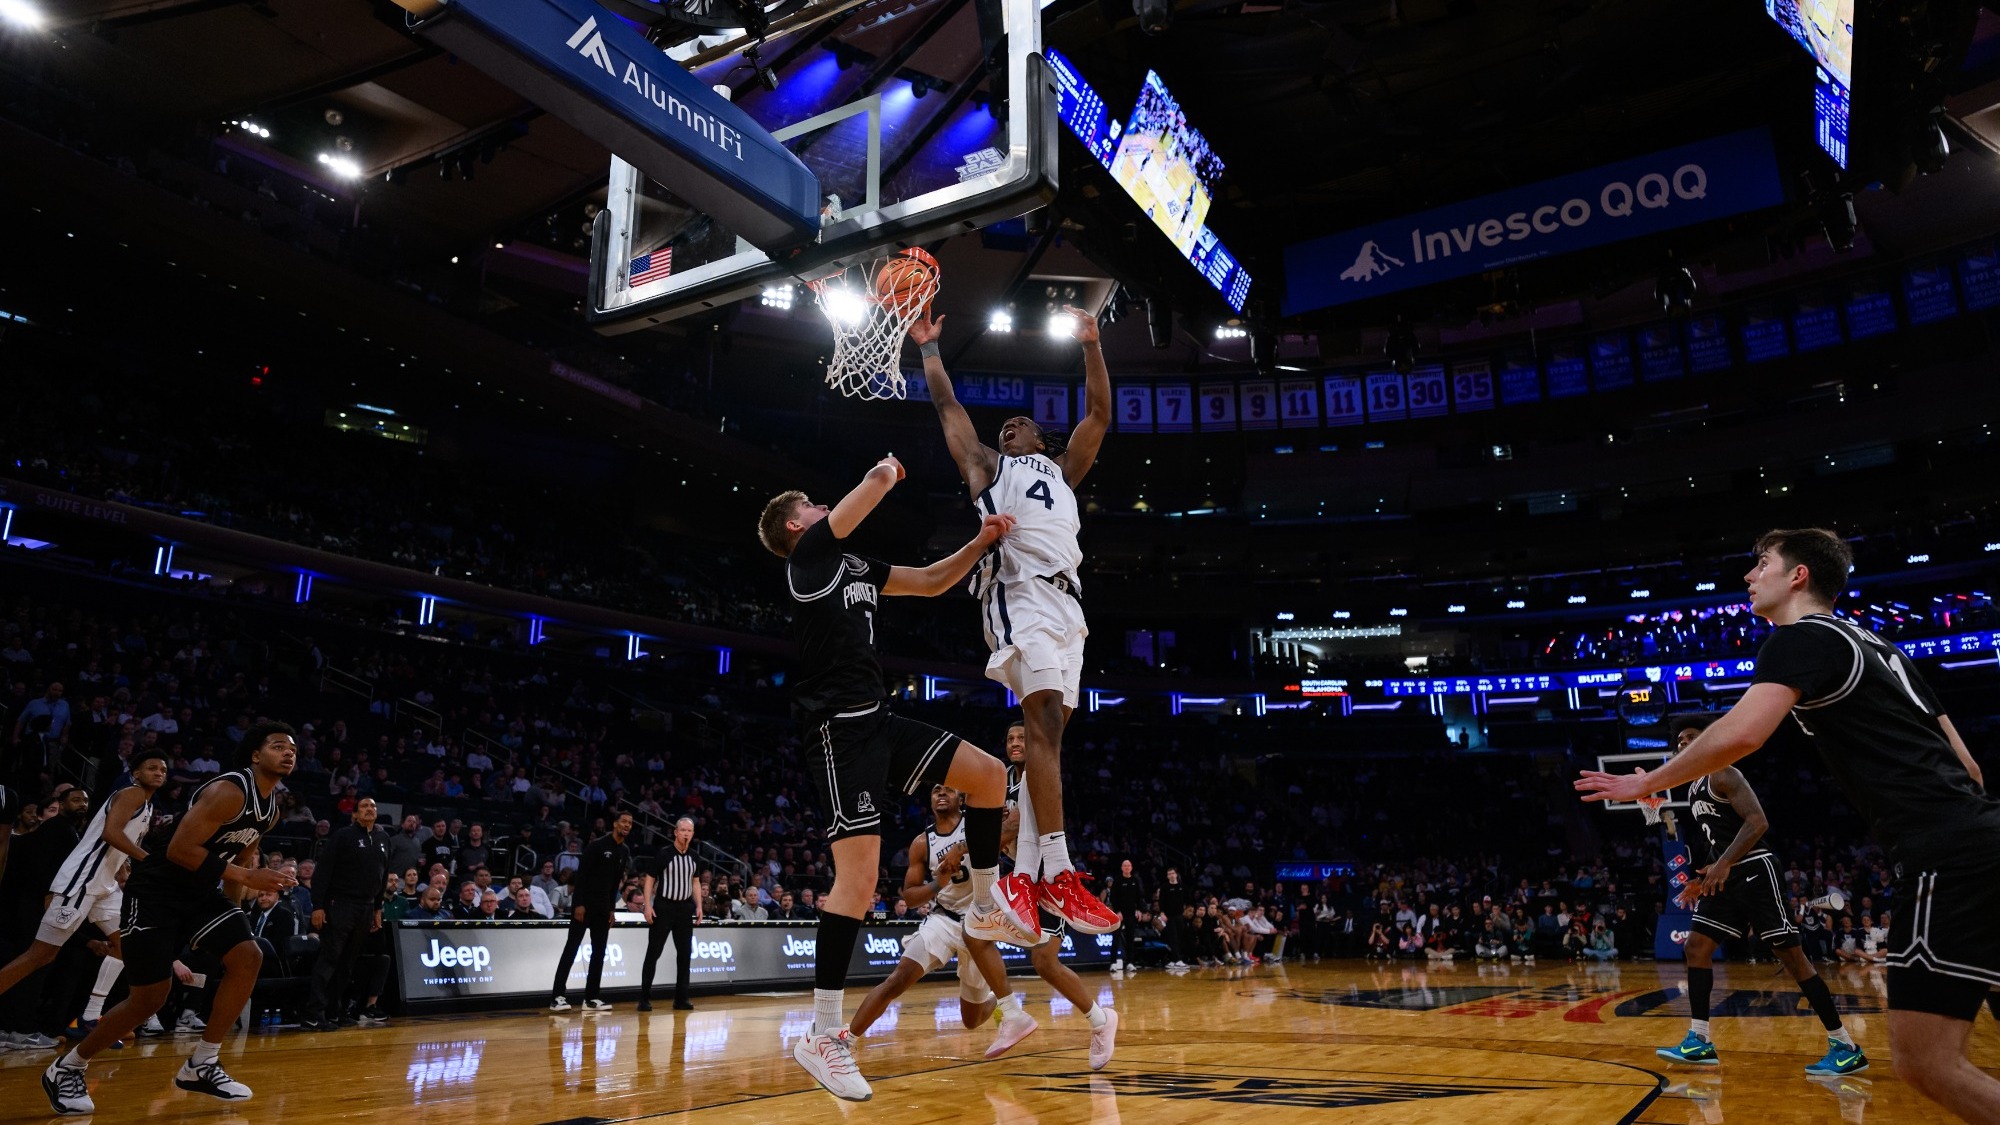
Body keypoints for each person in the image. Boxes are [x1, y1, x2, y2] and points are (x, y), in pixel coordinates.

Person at [1579, 528, 1999, 1120]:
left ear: (1797, 575)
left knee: (1925, 1062)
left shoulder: (1801, 638)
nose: (1749, 576)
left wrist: (1645, 783)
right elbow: (1971, 768)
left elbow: (1743, 732)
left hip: (1945, 853)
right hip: (1981, 838)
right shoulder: (1881, 647)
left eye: (1761, 563)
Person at [756, 458, 1040, 1103]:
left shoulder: (852, 566)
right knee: (855, 883)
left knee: (991, 776)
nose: (827, 508)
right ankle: (824, 1035)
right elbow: (871, 491)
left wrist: (982, 541)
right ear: (799, 524)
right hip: (838, 732)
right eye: (817, 504)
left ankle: (988, 902)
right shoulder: (807, 560)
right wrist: (885, 470)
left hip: (879, 721)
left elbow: (934, 581)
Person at [906, 306, 1120, 937]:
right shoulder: (988, 469)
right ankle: (1056, 873)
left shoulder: (1064, 472)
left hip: (1069, 606)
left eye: (1021, 424)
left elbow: (1100, 415)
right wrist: (930, 351)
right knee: (1045, 720)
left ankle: (1022, 881)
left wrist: (1092, 343)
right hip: (1018, 592)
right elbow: (950, 413)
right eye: (1005, 427)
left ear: (1040, 440)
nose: (1010, 428)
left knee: (1051, 740)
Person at [42, 723, 300, 1114]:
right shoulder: (228, 790)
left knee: (249, 955)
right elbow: (181, 850)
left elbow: (242, 857)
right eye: (278, 746)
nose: (288, 753)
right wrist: (247, 878)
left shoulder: (271, 810)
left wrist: (236, 910)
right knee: (149, 998)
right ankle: (68, 1066)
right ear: (254, 755)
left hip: (201, 892)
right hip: (157, 891)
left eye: (293, 749)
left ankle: (202, 1063)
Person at [1651, 713, 1865, 1074]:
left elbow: (1757, 822)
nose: (1683, 744)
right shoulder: (1693, 787)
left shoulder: (1725, 772)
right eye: (1680, 741)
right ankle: (1699, 1040)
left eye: (1691, 737)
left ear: (1710, 739)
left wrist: (1723, 864)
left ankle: (1846, 1046)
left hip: (1755, 870)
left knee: (1793, 960)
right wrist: (1703, 876)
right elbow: (1720, 838)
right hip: (1725, 876)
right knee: (1697, 948)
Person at [847, 784, 1036, 1058]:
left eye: (949, 790)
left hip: (979, 923)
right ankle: (848, 1039)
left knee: (971, 1020)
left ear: (962, 797)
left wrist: (980, 836)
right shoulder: (922, 843)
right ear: (931, 800)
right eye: (936, 790)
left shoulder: (978, 824)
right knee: (897, 979)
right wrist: (939, 882)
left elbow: (1010, 832)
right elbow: (910, 897)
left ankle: (995, 1002)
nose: (942, 793)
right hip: (943, 920)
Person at [0, 753, 161, 1041]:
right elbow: (111, 834)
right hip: (82, 881)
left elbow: (122, 851)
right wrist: (150, 860)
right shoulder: (131, 794)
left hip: (105, 886)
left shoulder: (147, 806)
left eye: (163, 769)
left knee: (131, 948)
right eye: (152, 768)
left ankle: (90, 1015)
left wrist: (128, 872)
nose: (159, 772)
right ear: (136, 773)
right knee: (40, 955)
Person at [997, 722, 1117, 1067]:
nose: (1015, 742)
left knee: (1044, 962)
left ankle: (1099, 1021)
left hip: (1044, 874)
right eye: (1010, 738)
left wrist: (999, 830)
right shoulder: (1001, 777)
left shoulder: (1041, 773)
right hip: (1017, 871)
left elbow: (1013, 826)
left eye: (1021, 737)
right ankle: (1006, 1010)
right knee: (975, 933)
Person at [300, 795, 391, 1030]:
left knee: (348, 963)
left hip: (367, 907)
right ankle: (313, 1013)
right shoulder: (343, 836)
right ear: (355, 814)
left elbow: (382, 877)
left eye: (373, 805)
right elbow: (323, 873)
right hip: (341, 904)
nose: (369, 809)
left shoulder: (383, 838)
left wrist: (378, 908)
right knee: (330, 958)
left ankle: (333, 1011)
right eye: (364, 806)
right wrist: (318, 905)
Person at [549, 811, 633, 1012]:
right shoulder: (597, 846)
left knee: (599, 952)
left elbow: (615, 883)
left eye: (630, 823)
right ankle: (557, 997)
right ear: (615, 824)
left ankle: (591, 998)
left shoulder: (625, 851)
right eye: (624, 822)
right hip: (584, 905)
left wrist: (612, 909)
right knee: (571, 948)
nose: (627, 825)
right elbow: (581, 876)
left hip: (604, 908)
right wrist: (578, 904)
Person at [637, 816, 704, 1012]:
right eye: (682, 830)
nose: (685, 834)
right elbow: (650, 879)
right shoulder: (664, 854)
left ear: (692, 834)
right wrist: (647, 905)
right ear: (675, 832)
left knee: (685, 955)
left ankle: (681, 998)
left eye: (689, 831)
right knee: (654, 952)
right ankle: (644, 998)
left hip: (684, 909)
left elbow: (695, 882)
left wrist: (699, 905)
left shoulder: (694, 857)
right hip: (664, 907)